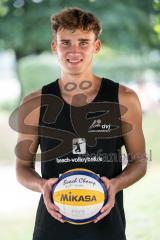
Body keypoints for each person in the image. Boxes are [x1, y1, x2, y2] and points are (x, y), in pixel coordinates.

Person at [15, 7, 147, 240]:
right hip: (52, 229)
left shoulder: (123, 98)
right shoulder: (34, 104)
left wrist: (115, 184)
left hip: (106, 228)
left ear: (96, 46)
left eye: (83, 42)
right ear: (55, 47)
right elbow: (22, 168)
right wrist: (41, 185)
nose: (74, 50)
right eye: (65, 42)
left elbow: (139, 162)